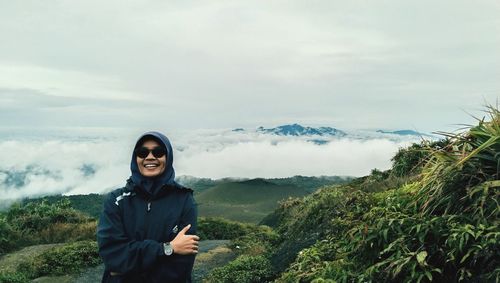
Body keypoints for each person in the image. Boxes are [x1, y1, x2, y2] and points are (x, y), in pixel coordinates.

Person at [97, 131, 199, 283]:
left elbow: (181, 266)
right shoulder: (116, 201)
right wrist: (168, 248)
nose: (150, 157)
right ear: (135, 158)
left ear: (168, 157)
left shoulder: (184, 200)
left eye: (158, 152)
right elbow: (113, 257)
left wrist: (128, 268)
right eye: (143, 152)